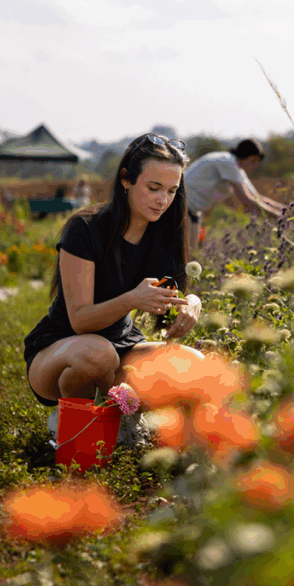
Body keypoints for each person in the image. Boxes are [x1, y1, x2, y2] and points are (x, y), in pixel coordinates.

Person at [23, 133, 203, 439]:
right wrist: (132, 299)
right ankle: (72, 433)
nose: (163, 200)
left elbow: (171, 306)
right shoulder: (86, 228)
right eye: (154, 188)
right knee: (98, 354)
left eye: (172, 191)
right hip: (61, 350)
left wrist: (193, 304)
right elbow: (80, 321)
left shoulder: (164, 234)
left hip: (122, 348)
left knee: (195, 366)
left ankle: (121, 421)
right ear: (125, 180)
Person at [183, 138, 284, 248]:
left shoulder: (237, 170)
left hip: (193, 212)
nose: (255, 166)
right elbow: (247, 201)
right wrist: (278, 216)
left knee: (191, 255)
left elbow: (257, 198)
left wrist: (286, 210)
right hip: (182, 207)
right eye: (253, 161)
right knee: (183, 255)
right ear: (246, 156)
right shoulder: (227, 162)